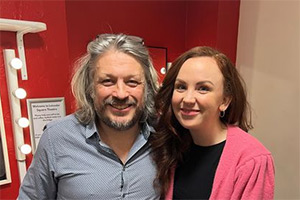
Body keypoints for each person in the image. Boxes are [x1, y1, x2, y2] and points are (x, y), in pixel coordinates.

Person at [18, 33, 160, 199]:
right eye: (107, 81)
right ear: (90, 88)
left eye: (132, 82)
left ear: (147, 89)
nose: (121, 94)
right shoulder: (56, 138)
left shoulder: (163, 137)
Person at [150, 46, 275, 199]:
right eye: (181, 87)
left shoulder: (252, 160)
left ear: (225, 100)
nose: (188, 99)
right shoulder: (173, 144)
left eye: (203, 88)